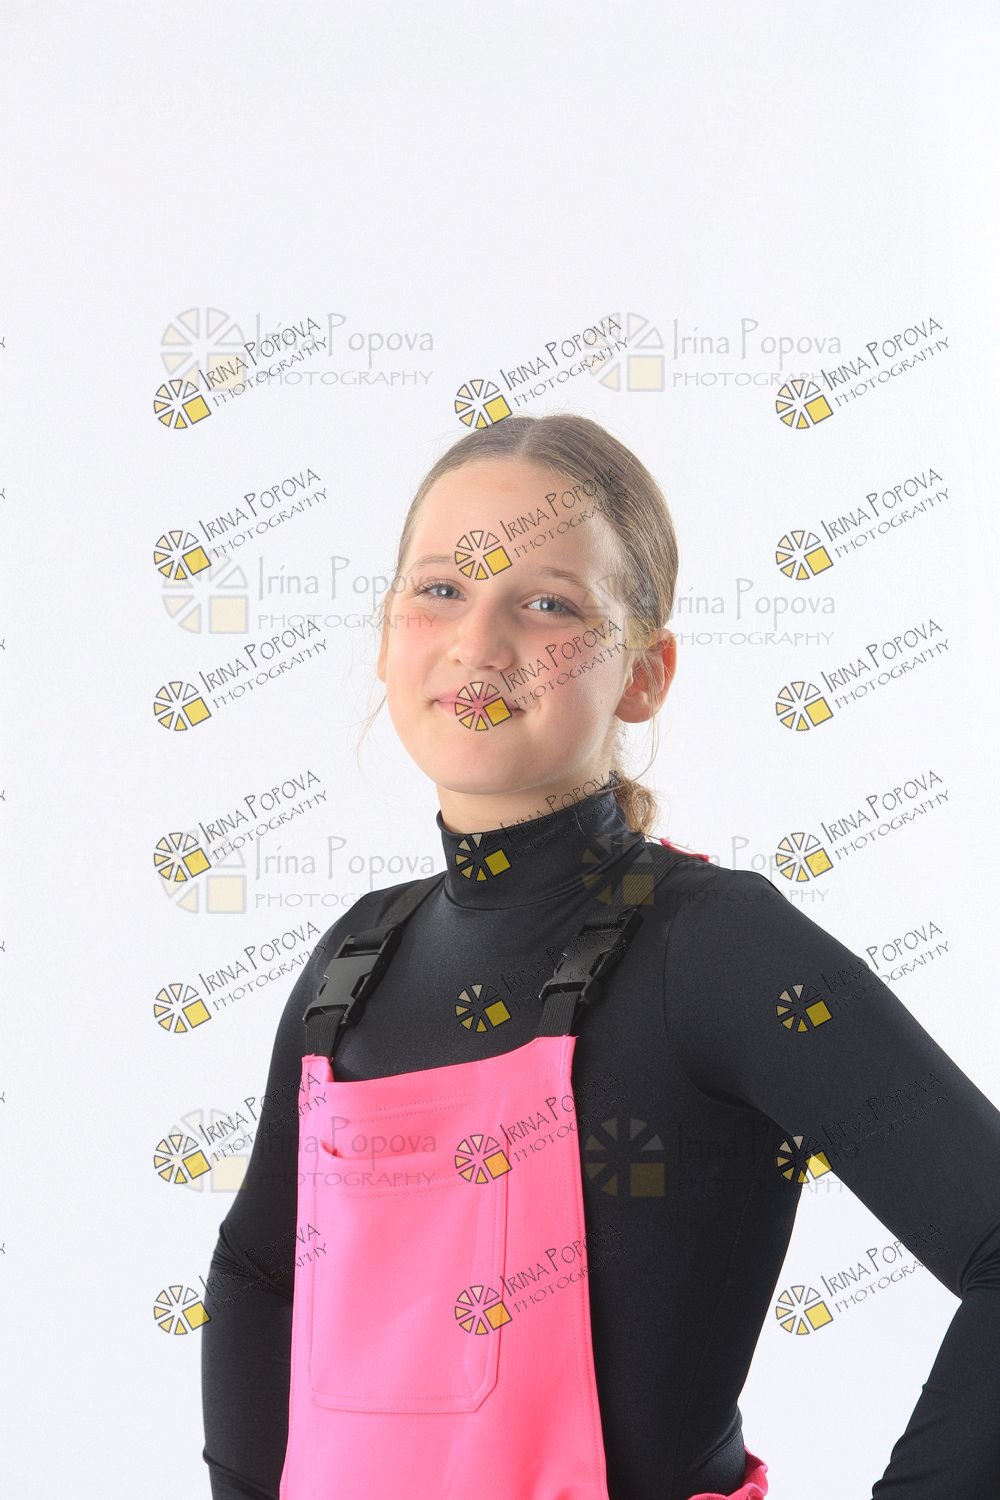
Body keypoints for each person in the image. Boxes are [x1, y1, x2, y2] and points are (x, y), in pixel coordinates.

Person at [200, 413, 1000, 1500]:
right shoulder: (354, 960)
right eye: (441, 589)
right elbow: (261, 1270)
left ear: (644, 673)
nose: (479, 642)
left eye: (548, 605)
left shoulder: (714, 949)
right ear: (387, 637)